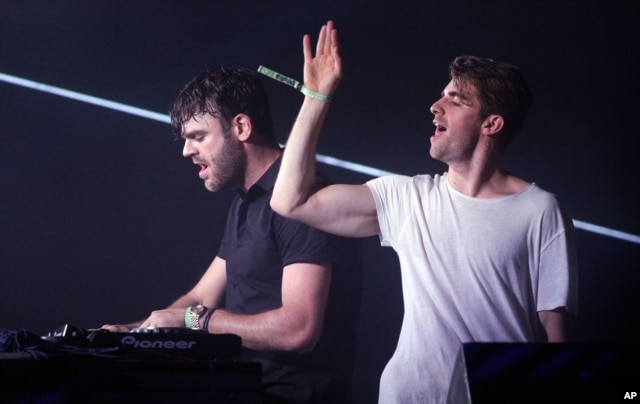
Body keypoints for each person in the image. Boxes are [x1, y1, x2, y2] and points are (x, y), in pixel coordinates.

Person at [270, 21, 578, 403]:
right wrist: (316, 97)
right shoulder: (408, 197)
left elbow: (557, 335)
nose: (436, 106)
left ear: (492, 123)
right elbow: (290, 200)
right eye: (441, 96)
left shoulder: (540, 210)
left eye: (456, 99)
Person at [101, 64, 362, 403]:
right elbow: (199, 299)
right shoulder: (244, 203)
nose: (187, 151)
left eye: (198, 137)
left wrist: (191, 320)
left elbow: (299, 329)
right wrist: (132, 332)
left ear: (240, 126)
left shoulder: (306, 203)